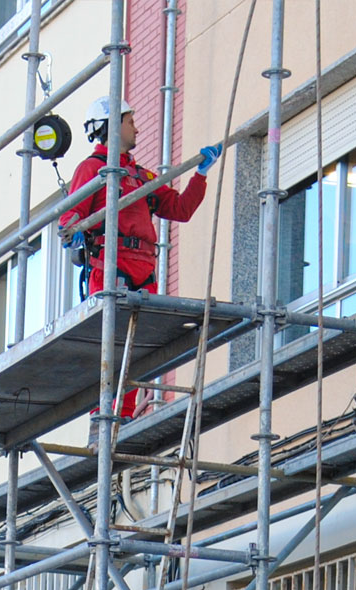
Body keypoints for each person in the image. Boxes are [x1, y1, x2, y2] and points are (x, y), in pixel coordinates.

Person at [59, 96, 221, 437]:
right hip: (111, 265)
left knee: (137, 350)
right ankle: (103, 418)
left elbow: (179, 209)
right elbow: (71, 216)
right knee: (111, 346)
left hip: (143, 267)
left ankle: (125, 417)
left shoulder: (140, 175)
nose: (137, 126)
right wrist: (73, 232)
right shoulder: (92, 170)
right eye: (130, 120)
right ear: (112, 125)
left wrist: (200, 176)